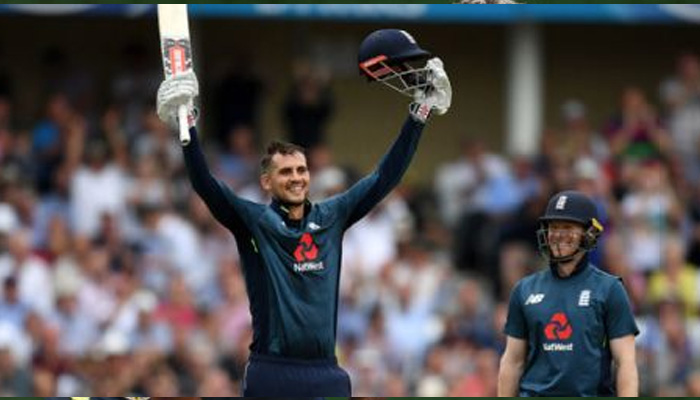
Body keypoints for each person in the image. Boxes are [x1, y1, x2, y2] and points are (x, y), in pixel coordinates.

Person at [156, 29, 451, 397]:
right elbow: (205, 184)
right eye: (285, 172)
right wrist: (186, 129)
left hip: (326, 372)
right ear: (266, 181)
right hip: (272, 371)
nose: (296, 178)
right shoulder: (254, 221)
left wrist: (420, 114)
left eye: (301, 170)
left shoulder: (332, 215)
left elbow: (383, 178)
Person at [497, 190, 639, 397]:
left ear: (589, 233)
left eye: (568, 227)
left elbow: (625, 362)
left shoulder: (610, 289)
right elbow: (512, 361)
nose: (558, 235)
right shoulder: (524, 289)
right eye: (554, 227)